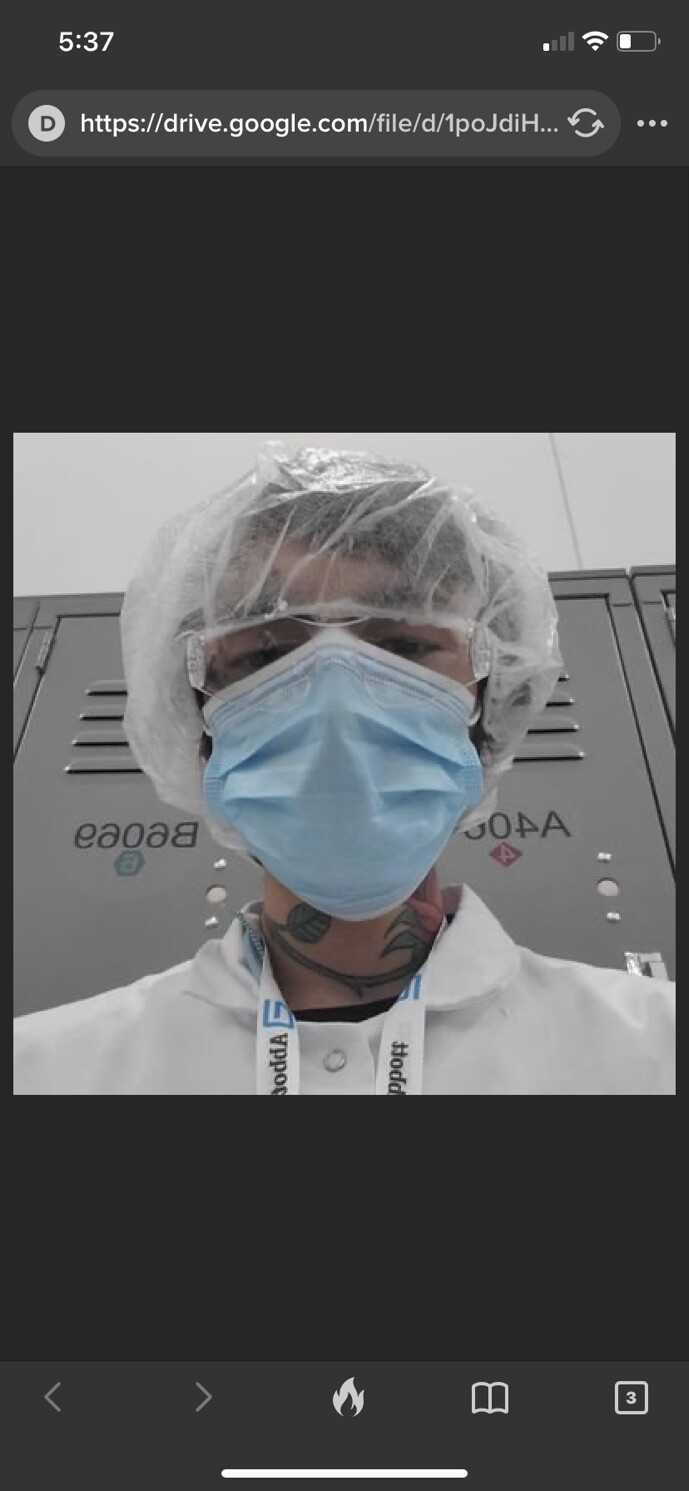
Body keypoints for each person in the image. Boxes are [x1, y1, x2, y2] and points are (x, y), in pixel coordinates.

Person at [13, 443, 675, 1095]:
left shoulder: (654, 1048)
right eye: (265, 653)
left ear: (489, 702)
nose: (338, 701)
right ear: (197, 723)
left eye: (404, 644)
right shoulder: (45, 1069)